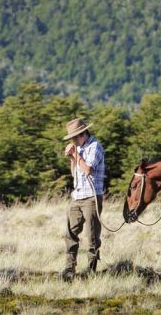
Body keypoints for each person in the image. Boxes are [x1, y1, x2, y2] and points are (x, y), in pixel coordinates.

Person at [61, 117, 105, 281]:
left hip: (91, 198)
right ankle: (69, 269)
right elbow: (75, 173)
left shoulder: (95, 146)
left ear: (81, 134)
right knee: (70, 233)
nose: (72, 140)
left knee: (92, 235)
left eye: (73, 137)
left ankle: (91, 270)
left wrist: (76, 155)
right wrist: (72, 159)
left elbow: (87, 170)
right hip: (77, 196)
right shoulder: (79, 150)